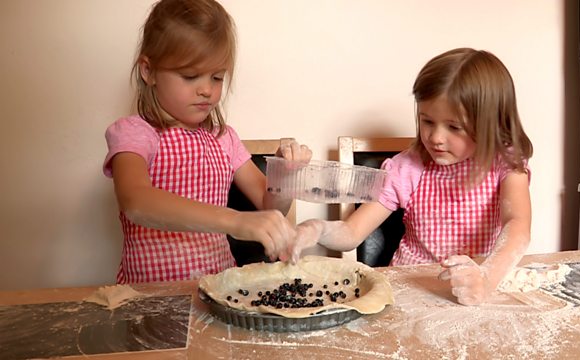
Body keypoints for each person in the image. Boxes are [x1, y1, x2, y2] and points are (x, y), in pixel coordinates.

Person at [292, 48, 533, 306]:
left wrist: (487, 277)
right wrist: (317, 229)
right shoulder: (406, 168)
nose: (436, 137)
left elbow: (518, 225)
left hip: (475, 288)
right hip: (411, 293)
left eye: (454, 127)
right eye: (427, 121)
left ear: (490, 124)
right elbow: (352, 232)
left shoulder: (504, 162)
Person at [103, 0, 311, 284]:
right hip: (150, 299)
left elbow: (268, 203)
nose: (206, 90)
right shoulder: (135, 134)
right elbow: (135, 200)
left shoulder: (223, 138)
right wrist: (235, 220)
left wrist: (283, 178)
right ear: (148, 71)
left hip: (218, 291)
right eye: (190, 76)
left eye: (216, 77)